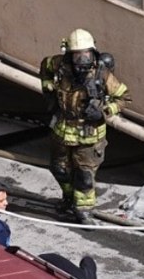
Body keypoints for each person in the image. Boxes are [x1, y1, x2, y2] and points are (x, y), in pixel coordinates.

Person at [40, 28, 130, 224]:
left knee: (84, 176)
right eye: (78, 55)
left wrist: (104, 111)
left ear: (93, 52)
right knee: (59, 169)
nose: (83, 60)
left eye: (86, 54)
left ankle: (84, 211)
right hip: (62, 129)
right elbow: (44, 67)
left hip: (89, 135)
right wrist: (47, 87)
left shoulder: (102, 74)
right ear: (69, 54)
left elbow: (124, 97)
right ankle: (70, 198)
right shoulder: (58, 65)